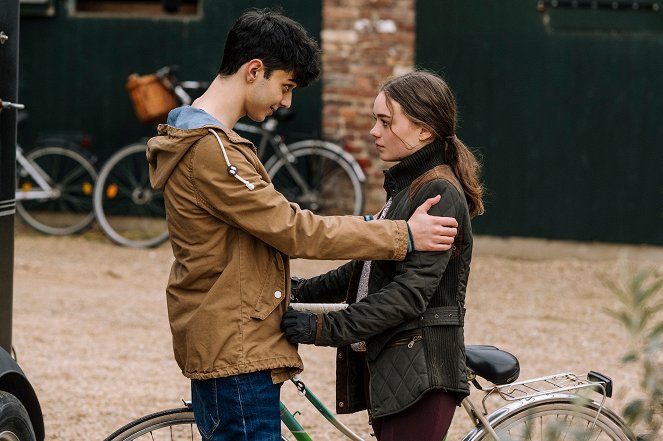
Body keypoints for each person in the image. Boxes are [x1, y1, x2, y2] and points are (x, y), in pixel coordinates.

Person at [146, 9, 460, 441]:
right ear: (254, 70)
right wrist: (402, 234)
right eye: (286, 86)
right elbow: (292, 229)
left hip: (232, 337)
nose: (287, 102)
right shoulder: (212, 151)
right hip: (235, 346)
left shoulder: (209, 143)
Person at [281, 70, 485, 441]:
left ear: (423, 131)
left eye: (385, 121)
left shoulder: (438, 192)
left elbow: (409, 295)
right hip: (395, 361)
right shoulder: (407, 186)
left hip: (423, 370)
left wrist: (322, 328)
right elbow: (366, 270)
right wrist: (298, 291)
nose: (374, 131)